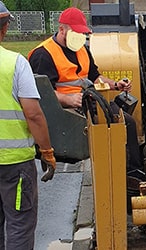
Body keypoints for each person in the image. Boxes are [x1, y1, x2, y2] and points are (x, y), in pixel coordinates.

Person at [28, 7, 144, 181]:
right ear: (62, 30)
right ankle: (118, 177)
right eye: (76, 34)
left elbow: (95, 76)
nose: (80, 38)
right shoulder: (43, 55)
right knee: (114, 128)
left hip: (89, 102)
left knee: (127, 122)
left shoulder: (82, 49)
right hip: (67, 112)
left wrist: (115, 85)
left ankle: (133, 173)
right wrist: (67, 99)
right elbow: (42, 94)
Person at [0, 1, 56, 249]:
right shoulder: (15, 63)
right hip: (15, 165)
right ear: (4, 29)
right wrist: (46, 151)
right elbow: (33, 114)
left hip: (13, 164)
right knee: (19, 225)